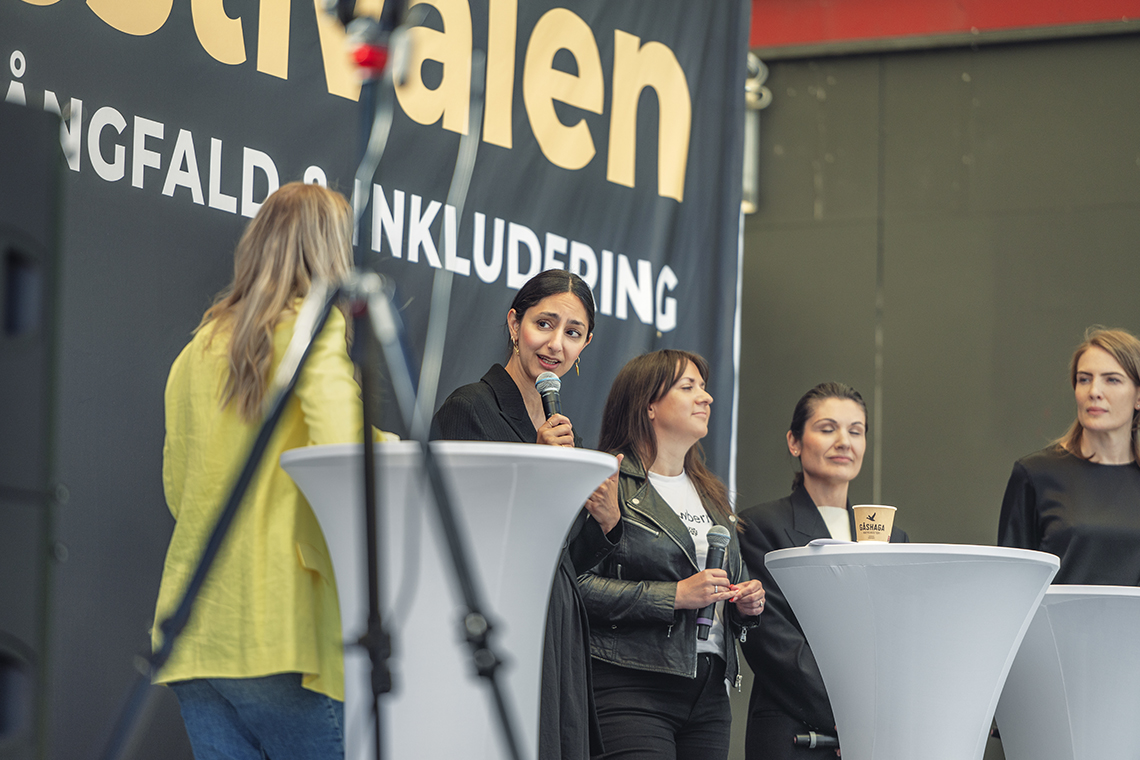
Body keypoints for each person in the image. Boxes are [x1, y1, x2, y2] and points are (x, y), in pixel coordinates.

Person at [153, 182, 376, 759]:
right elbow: (344, 453)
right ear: (329, 251)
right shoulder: (310, 326)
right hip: (282, 628)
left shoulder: (196, 349)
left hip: (196, 634)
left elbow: (179, 490)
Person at [430, 268, 622, 760]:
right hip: (496, 616)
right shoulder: (470, 407)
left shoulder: (565, 434)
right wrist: (535, 468)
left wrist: (607, 519)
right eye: (544, 324)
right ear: (514, 324)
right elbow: (458, 532)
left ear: (585, 345)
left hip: (556, 622)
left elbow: (566, 559)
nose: (555, 344)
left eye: (572, 333)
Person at [578, 349, 765, 760]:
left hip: (709, 689)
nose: (707, 397)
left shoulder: (712, 494)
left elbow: (723, 584)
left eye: (705, 387)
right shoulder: (607, 481)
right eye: (689, 387)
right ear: (648, 405)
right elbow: (575, 587)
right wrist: (676, 595)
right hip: (631, 682)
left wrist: (746, 600)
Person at [737, 382, 907, 760]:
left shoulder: (893, 536)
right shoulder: (761, 526)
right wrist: (851, 715)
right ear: (794, 442)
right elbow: (775, 642)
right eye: (828, 428)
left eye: (856, 431)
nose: (844, 441)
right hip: (795, 732)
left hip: (878, 736)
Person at [998, 327, 1140, 584]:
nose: (1094, 391)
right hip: (1056, 624)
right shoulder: (1035, 474)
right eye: (1084, 379)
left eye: (1112, 380)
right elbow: (1010, 584)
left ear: (1138, 396)